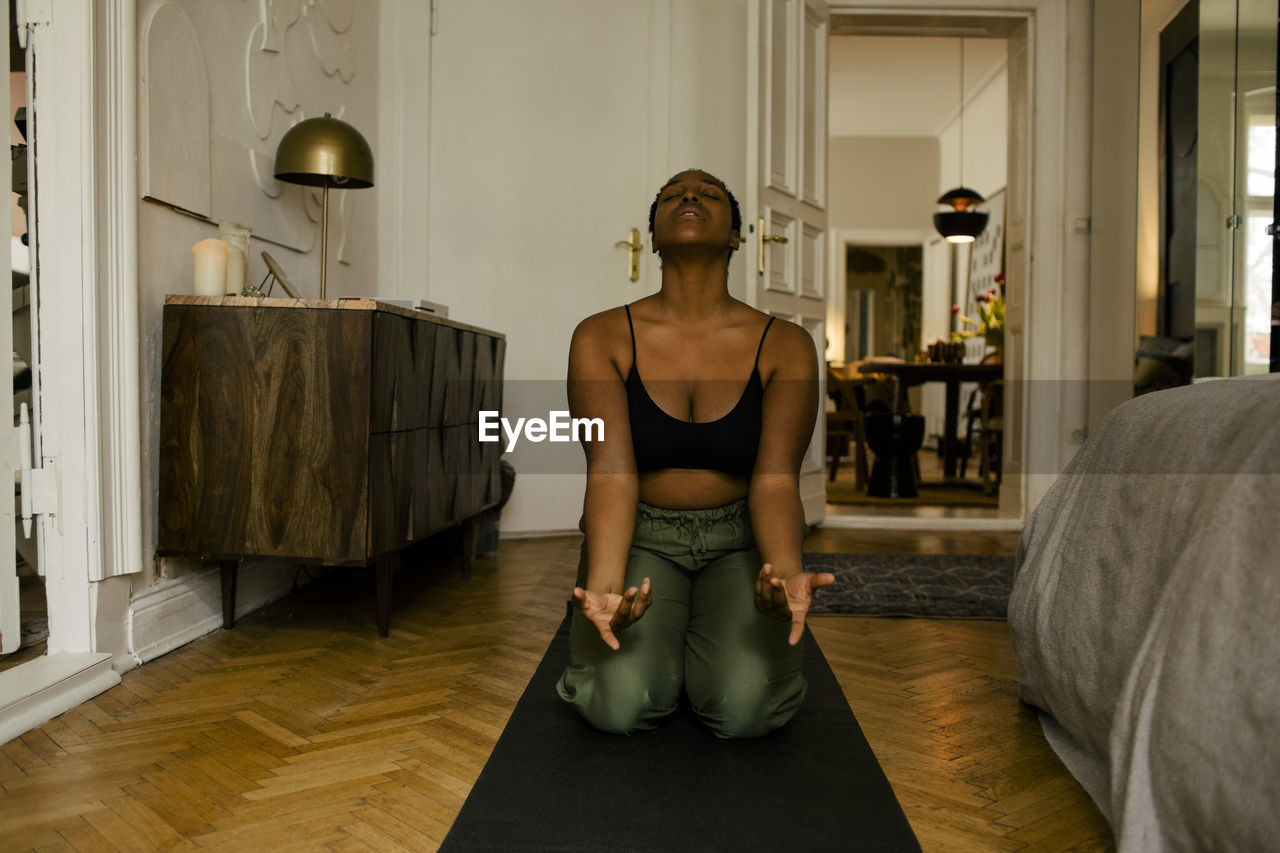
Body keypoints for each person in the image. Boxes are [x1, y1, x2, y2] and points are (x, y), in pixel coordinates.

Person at [555, 169, 834, 739]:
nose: (689, 196)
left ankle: (698, 651)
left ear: (737, 236)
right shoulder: (600, 337)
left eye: (707, 193)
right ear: (652, 237)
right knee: (619, 707)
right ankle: (663, 652)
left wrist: (782, 577)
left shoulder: (786, 344)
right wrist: (607, 588)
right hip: (642, 537)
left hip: (740, 543)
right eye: (673, 194)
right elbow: (609, 473)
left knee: (745, 712)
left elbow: (778, 479)